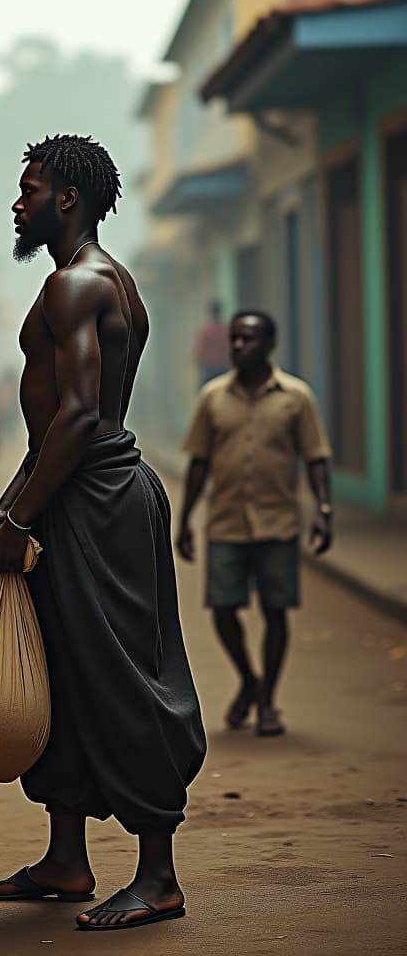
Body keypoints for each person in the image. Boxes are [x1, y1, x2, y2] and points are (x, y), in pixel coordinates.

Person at [0, 134, 206, 932]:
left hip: (98, 499)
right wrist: (11, 505)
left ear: (67, 198)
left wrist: (22, 518)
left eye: (28, 187)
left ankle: (159, 876)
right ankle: (66, 858)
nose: (17, 201)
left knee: (121, 676)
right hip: (76, 490)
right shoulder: (95, 280)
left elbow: (76, 416)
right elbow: (53, 430)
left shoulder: (79, 284)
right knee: (62, 671)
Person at [177, 311, 333, 737]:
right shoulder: (212, 398)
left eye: (248, 338)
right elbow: (198, 462)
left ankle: (267, 700)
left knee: (275, 611)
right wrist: (186, 518)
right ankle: (249, 677)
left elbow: (316, 457)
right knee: (223, 609)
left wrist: (323, 510)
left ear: (269, 344)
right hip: (226, 521)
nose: (239, 346)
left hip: (278, 523)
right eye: (234, 338)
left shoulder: (297, 398)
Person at [193, 300, 228, 387]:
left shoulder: (206, 332)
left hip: (210, 371)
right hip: (224, 370)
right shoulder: (226, 330)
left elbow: (199, 355)